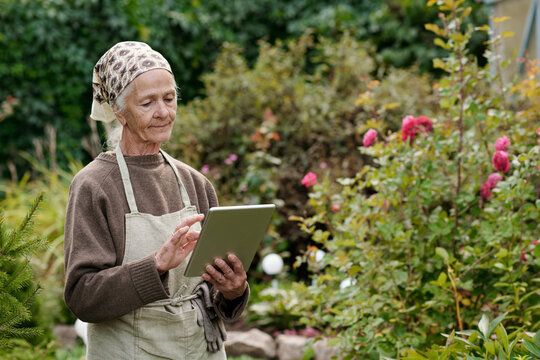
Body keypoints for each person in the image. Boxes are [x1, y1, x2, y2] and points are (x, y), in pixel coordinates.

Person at [64, 41, 249, 359]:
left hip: (201, 350)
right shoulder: (94, 186)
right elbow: (82, 296)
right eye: (147, 103)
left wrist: (233, 291)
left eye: (169, 98)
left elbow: (212, 291)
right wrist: (156, 265)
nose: (163, 112)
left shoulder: (195, 183)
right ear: (120, 112)